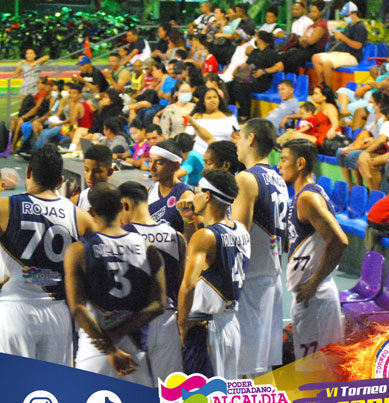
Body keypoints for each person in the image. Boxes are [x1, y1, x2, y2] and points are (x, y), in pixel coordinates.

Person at [0, 147, 93, 362]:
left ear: (28, 171)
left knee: (14, 386)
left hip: (15, 309)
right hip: (57, 312)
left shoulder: (2, 208)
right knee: (53, 388)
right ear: (60, 180)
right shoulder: (81, 217)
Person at [64, 182, 165, 385]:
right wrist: (119, 332)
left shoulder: (78, 250)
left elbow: (78, 308)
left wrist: (110, 347)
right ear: (121, 207)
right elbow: (159, 304)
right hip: (134, 349)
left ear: (91, 211)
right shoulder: (147, 248)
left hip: (95, 348)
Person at [277, 139, 346, 373]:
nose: (279, 166)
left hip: (315, 298)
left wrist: (313, 283)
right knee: (313, 368)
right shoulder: (301, 197)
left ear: (300, 163)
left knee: (316, 371)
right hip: (311, 298)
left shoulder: (308, 198)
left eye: (284, 160)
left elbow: (339, 240)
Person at [177, 169, 249, 378]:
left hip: (207, 329)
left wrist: (182, 324)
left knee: (201, 401)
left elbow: (189, 285)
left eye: (198, 191)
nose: (194, 195)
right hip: (231, 324)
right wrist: (189, 220)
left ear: (208, 196)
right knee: (223, 397)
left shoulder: (206, 236)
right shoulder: (241, 230)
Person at [232, 118, 289, 377]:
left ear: (251, 139)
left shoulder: (246, 178)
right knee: (262, 369)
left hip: (251, 280)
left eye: (240, 137)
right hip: (272, 276)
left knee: (246, 370)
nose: (237, 143)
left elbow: (236, 237)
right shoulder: (279, 179)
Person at [119, 180, 186, 382]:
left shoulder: (123, 235)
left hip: (136, 322)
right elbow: (182, 284)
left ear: (125, 205)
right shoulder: (177, 237)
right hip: (168, 321)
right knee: (168, 394)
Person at [311, 2, 367, 87]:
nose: (345, 18)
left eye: (346, 16)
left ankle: (329, 90)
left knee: (326, 63)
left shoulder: (360, 27)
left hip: (352, 56)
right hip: (341, 53)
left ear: (354, 14)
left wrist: (343, 37)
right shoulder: (349, 26)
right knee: (315, 57)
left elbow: (358, 46)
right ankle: (321, 85)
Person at [228, 31, 280, 121]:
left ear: (260, 40)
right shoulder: (255, 51)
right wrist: (237, 70)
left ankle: (245, 115)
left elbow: (280, 66)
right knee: (229, 85)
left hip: (261, 82)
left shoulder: (271, 53)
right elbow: (245, 64)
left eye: (256, 37)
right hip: (248, 79)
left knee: (240, 87)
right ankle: (232, 111)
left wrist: (264, 71)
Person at [148, 140, 194, 234]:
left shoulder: (185, 195)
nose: (152, 167)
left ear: (175, 166)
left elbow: (192, 236)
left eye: (159, 163)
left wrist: (189, 219)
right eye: (150, 161)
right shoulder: (150, 190)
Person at [278, 2, 328, 75]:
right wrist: (305, 40)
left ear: (320, 13)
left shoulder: (322, 25)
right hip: (306, 48)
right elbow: (302, 41)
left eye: (314, 12)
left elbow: (311, 41)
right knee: (285, 55)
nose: (311, 14)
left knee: (293, 59)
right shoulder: (312, 26)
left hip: (316, 51)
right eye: (311, 12)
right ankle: (286, 79)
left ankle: (294, 80)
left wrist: (305, 39)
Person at [186, 88, 239, 154]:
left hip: (224, 153)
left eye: (215, 97)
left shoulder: (230, 116)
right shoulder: (196, 117)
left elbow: (237, 136)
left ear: (219, 100)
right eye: (209, 98)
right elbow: (189, 138)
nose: (212, 100)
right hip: (200, 154)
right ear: (203, 102)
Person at [70, 144, 114, 211]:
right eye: (87, 170)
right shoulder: (76, 201)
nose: (90, 176)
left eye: (96, 171)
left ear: (110, 171)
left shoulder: (118, 204)